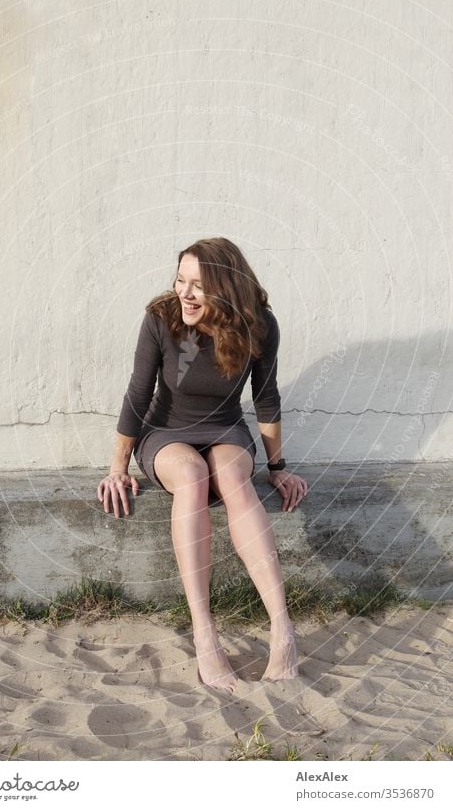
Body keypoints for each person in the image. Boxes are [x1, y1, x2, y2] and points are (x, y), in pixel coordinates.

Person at [97, 237, 308, 693]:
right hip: (165, 433)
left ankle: (282, 629)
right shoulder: (161, 318)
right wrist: (118, 467)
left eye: (198, 284)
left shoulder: (260, 326)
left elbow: (266, 398)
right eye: (180, 280)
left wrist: (278, 466)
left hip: (226, 428)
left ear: (226, 288)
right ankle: (205, 634)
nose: (185, 293)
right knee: (192, 477)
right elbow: (138, 393)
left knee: (234, 476)